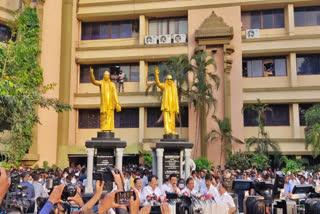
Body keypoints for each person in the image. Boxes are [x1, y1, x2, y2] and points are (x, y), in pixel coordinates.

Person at [89, 67, 121, 132]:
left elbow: (115, 94)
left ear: (109, 76)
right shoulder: (101, 83)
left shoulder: (112, 85)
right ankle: (103, 128)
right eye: (105, 75)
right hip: (104, 103)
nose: (106, 76)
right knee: (103, 116)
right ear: (104, 76)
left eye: (107, 75)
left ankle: (110, 128)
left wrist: (117, 103)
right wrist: (91, 73)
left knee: (110, 116)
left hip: (110, 103)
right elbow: (94, 82)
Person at [155, 67, 179, 135]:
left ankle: (172, 130)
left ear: (172, 80)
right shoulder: (164, 86)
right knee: (166, 120)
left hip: (173, 107)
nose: (169, 80)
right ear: (166, 80)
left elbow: (176, 98)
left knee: (172, 120)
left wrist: (177, 108)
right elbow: (158, 83)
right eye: (168, 79)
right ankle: (167, 130)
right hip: (166, 107)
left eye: (170, 79)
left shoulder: (174, 89)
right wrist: (156, 75)